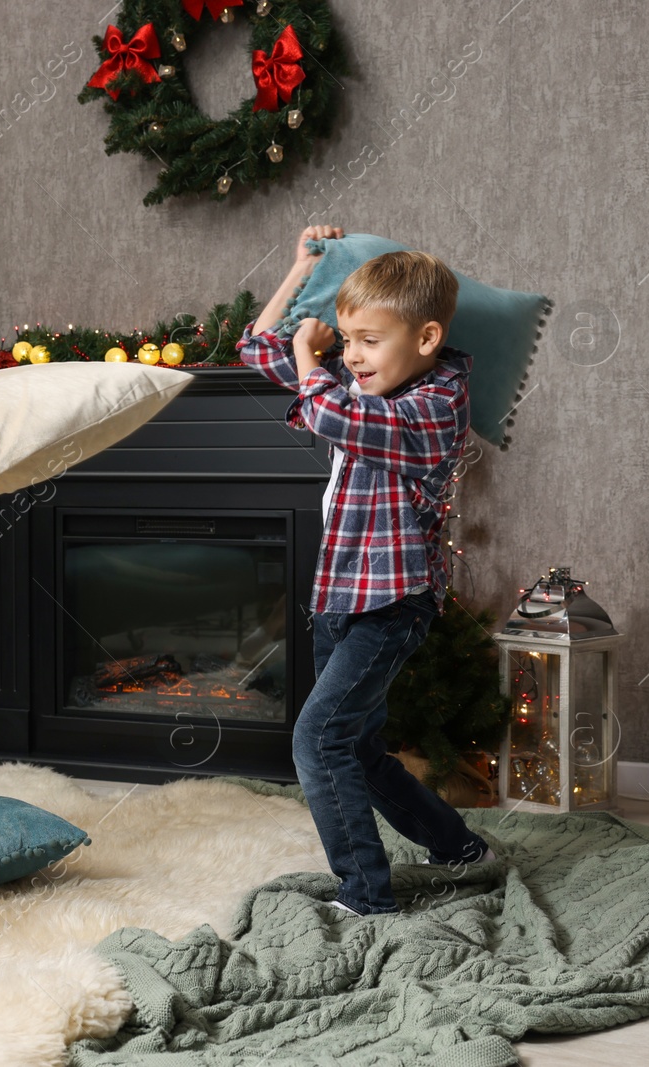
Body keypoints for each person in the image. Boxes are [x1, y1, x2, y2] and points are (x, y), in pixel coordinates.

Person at [237, 224, 496, 918]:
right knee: (358, 745)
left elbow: (329, 410)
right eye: (345, 340)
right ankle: (461, 849)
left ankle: (366, 896)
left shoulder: (435, 405)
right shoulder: (362, 381)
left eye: (368, 340)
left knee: (317, 738)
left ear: (427, 339)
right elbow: (255, 349)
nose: (350, 355)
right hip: (338, 596)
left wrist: (307, 353)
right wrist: (300, 271)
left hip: (392, 603)